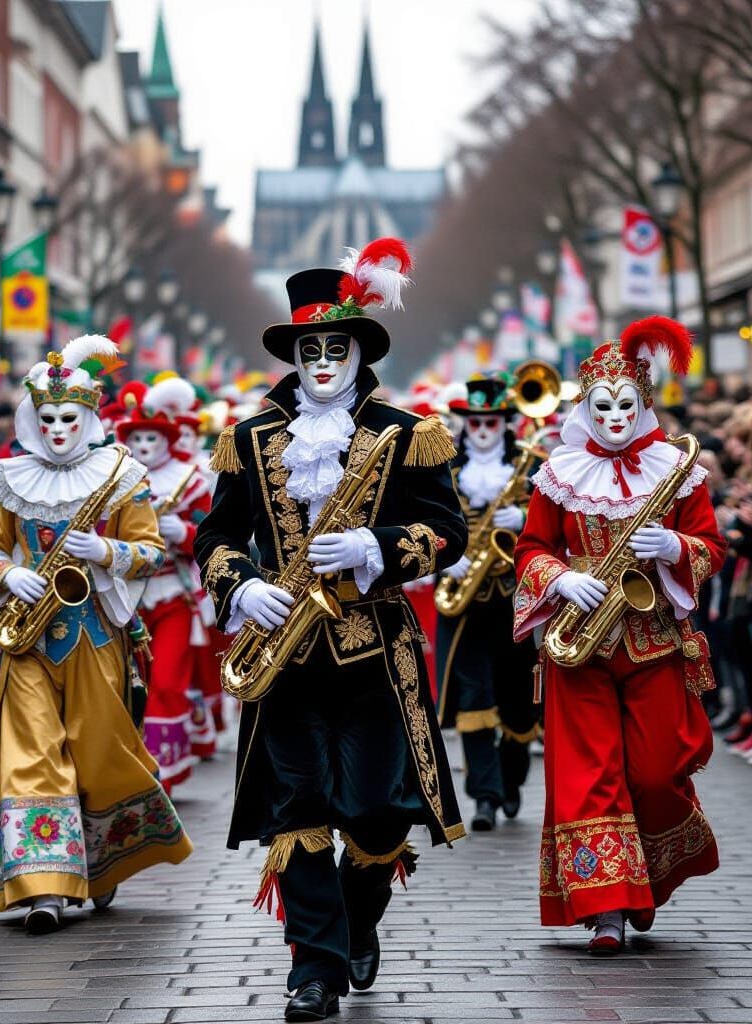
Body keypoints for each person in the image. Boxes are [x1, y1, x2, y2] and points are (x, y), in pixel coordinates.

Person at [195, 238, 468, 1022]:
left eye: (334, 346)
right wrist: (240, 588)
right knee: (300, 805)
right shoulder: (248, 439)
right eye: (309, 347)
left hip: (374, 652)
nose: (320, 361)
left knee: (377, 811)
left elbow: (451, 530)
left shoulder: (406, 430)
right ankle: (312, 967)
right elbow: (213, 537)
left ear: (356, 350)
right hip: (283, 656)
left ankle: (356, 918)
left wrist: (378, 548)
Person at [0, 335, 192, 934]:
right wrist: (7, 572)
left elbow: (150, 551)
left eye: (69, 417)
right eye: (47, 418)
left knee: (96, 751)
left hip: (95, 637)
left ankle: (104, 858)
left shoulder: (119, 475)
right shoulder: (9, 479)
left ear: (88, 419)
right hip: (26, 640)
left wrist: (106, 548)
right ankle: (45, 886)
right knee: (30, 752)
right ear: (32, 420)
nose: (58, 428)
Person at [512, 317, 725, 955]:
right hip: (580, 645)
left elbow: (711, 547)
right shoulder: (560, 472)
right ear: (585, 406)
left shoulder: (677, 468)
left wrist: (676, 546)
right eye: (601, 405)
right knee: (588, 776)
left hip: (655, 641)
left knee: (657, 774)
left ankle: (650, 879)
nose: (613, 415)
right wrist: (557, 581)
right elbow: (529, 550)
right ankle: (607, 909)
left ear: (645, 403)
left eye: (625, 404)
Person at [436, 375, 539, 830]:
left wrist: (527, 516)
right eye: (474, 421)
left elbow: (562, 526)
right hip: (465, 601)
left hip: (516, 597)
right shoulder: (443, 470)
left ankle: (512, 780)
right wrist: (442, 559)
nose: (481, 428)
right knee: (473, 696)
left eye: (491, 420)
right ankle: (483, 795)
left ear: (504, 422)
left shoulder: (533, 467)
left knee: (519, 701)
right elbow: (423, 520)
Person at [117, 375, 214, 792]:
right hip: (123, 597)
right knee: (128, 685)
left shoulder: (190, 480)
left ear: (166, 440)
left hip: (173, 593)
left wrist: (186, 535)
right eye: (136, 439)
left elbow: (215, 539)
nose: (142, 448)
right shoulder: (114, 477)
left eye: (151, 440)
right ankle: (129, 771)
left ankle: (165, 776)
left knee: (169, 682)